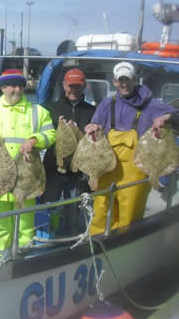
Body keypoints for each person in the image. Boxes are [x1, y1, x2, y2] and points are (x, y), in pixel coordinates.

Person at [0, 69, 56, 255]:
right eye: (12, 86)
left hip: (25, 181)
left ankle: (23, 263)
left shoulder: (39, 112)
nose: (17, 90)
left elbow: (51, 135)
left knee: (25, 228)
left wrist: (35, 140)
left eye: (20, 86)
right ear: (2, 88)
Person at [85, 61, 176, 235]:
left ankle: (125, 245)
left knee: (130, 215)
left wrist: (166, 117)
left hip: (135, 169)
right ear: (115, 82)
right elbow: (95, 125)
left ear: (135, 79)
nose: (124, 84)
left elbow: (175, 112)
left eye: (128, 79)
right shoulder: (106, 104)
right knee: (100, 212)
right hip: (106, 168)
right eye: (121, 80)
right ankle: (96, 244)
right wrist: (91, 128)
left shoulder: (150, 104)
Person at [40, 68, 96, 237]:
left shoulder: (92, 111)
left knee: (74, 209)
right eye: (70, 86)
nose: (74, 90)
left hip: (78, 171)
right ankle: (44, 236)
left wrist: (90, 131)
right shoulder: (49, 108)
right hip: (53, 168)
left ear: (84, 87)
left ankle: (71, 239)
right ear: (64, 86)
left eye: (78, 86)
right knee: (46, 207)